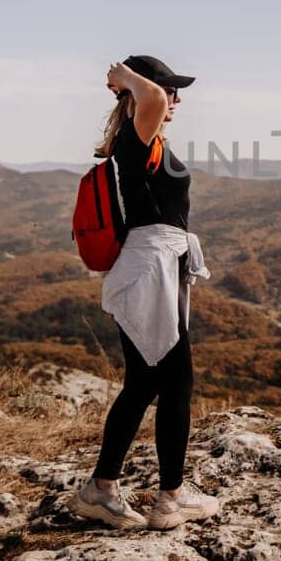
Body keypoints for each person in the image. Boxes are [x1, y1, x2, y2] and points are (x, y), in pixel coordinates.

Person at [70, 54, 220, 530]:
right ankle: (172, 499)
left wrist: (134, 87)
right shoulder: (139, 136)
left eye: (176, 92)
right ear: (139, 97)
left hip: (148, 267)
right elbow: (151, 96)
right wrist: (126, 80)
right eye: (168, 90)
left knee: (144, 382)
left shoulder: (139, 144)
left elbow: (153, 98)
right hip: (151, 269)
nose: (174, 99)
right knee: (176, 381)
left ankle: (101, 489)